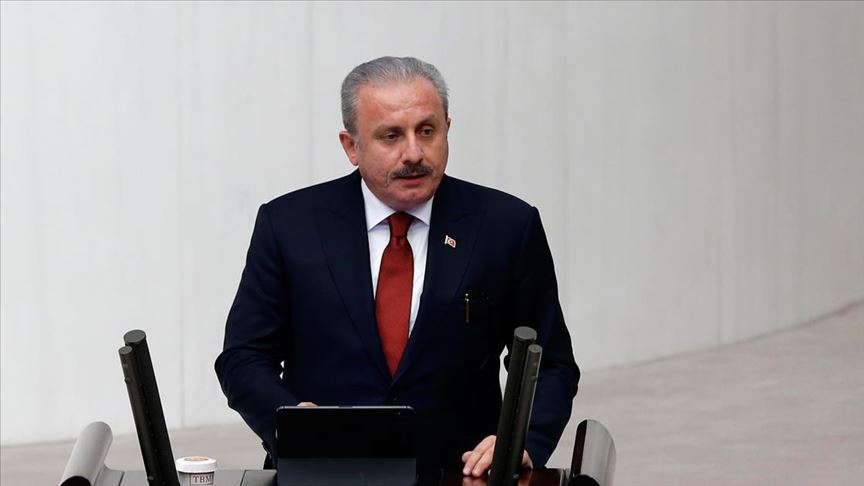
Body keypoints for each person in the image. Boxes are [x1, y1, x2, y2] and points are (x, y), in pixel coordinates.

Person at [215, 56, 579, 477]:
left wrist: (521, 440)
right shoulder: (289, 226)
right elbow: (244, 357)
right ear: (351, 146)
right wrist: (293, 421)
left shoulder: (506, 226)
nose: (414, 153)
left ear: (447, 129)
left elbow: (550, 362)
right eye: (391, 136)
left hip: (460, 474)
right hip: (323, 471)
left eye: (427, 131)